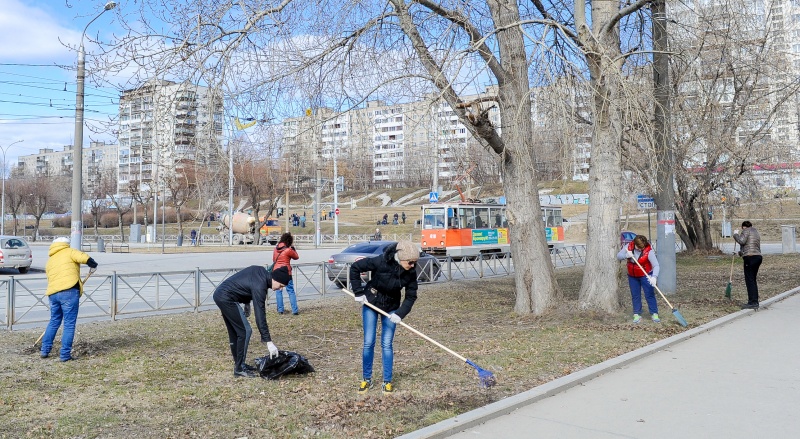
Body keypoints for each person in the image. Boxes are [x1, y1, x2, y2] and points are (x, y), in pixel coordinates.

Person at [350, 240, 419, 394]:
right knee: (369, 342)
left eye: (415, 262)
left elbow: (411, 296)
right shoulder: (380, 261)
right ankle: (366, 379)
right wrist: (358, 293)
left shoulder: (410, 272)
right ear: (401, 258)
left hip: (391, 308)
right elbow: (355, 268)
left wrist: (400, 314)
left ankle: (387, 381)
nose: (413, 265)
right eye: (410, 262)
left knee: (387, 344)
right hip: (371, 303)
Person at [212, 265, 291, 378]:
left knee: (235, 332)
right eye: (281, 285)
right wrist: (268, 341)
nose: (280, 288)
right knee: (245, 331)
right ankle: (239, 369)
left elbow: (245, 281)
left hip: (221, 294)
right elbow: (260, 315)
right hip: (226, 298)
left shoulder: (261, 272)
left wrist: (246, 302)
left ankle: (239, 364)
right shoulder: (261, 286)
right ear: (275, 279)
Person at [40, 237, 99, 361]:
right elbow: (85, 258)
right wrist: (93, 264)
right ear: (66, 244)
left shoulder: (50, 260)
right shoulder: (70, 251)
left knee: (54, 320)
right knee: (69, 324)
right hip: (69, 291)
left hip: (53, 293)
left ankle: (44, 350)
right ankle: (65, 355)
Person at [617, 234, 660, 324]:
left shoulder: (649, 251)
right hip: (632, 276)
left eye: (642, 247)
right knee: (635, 295)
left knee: (649, 294)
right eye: (639, 247)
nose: (641, 249)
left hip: (646, 275)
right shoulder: (628, 247)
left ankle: (654, 313)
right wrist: (626, 255)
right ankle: (637, 314)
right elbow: (619, 256)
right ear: (634, 244)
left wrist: (654, 277)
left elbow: (656, 265)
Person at [733, 221, 762, 309]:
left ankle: (752, 302)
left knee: (749, 280)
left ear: (743, 227)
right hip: (757, 257)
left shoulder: (746, 230)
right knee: (752, 279)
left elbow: (741, 241)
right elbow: (749, 247)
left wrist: (735, 234)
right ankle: (754, 301)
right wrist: (739, 253)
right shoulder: (755, 232)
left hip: (750, 258)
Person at [273, 232, 300, 315]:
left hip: (276, 272)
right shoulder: (288, 250)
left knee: (278, 291)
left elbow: (274, 260)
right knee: (290, 291)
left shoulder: (276, 249)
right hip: (286, 272)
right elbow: (296, 257)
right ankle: (294, 310)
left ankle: (280, 310)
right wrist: (293, 249)